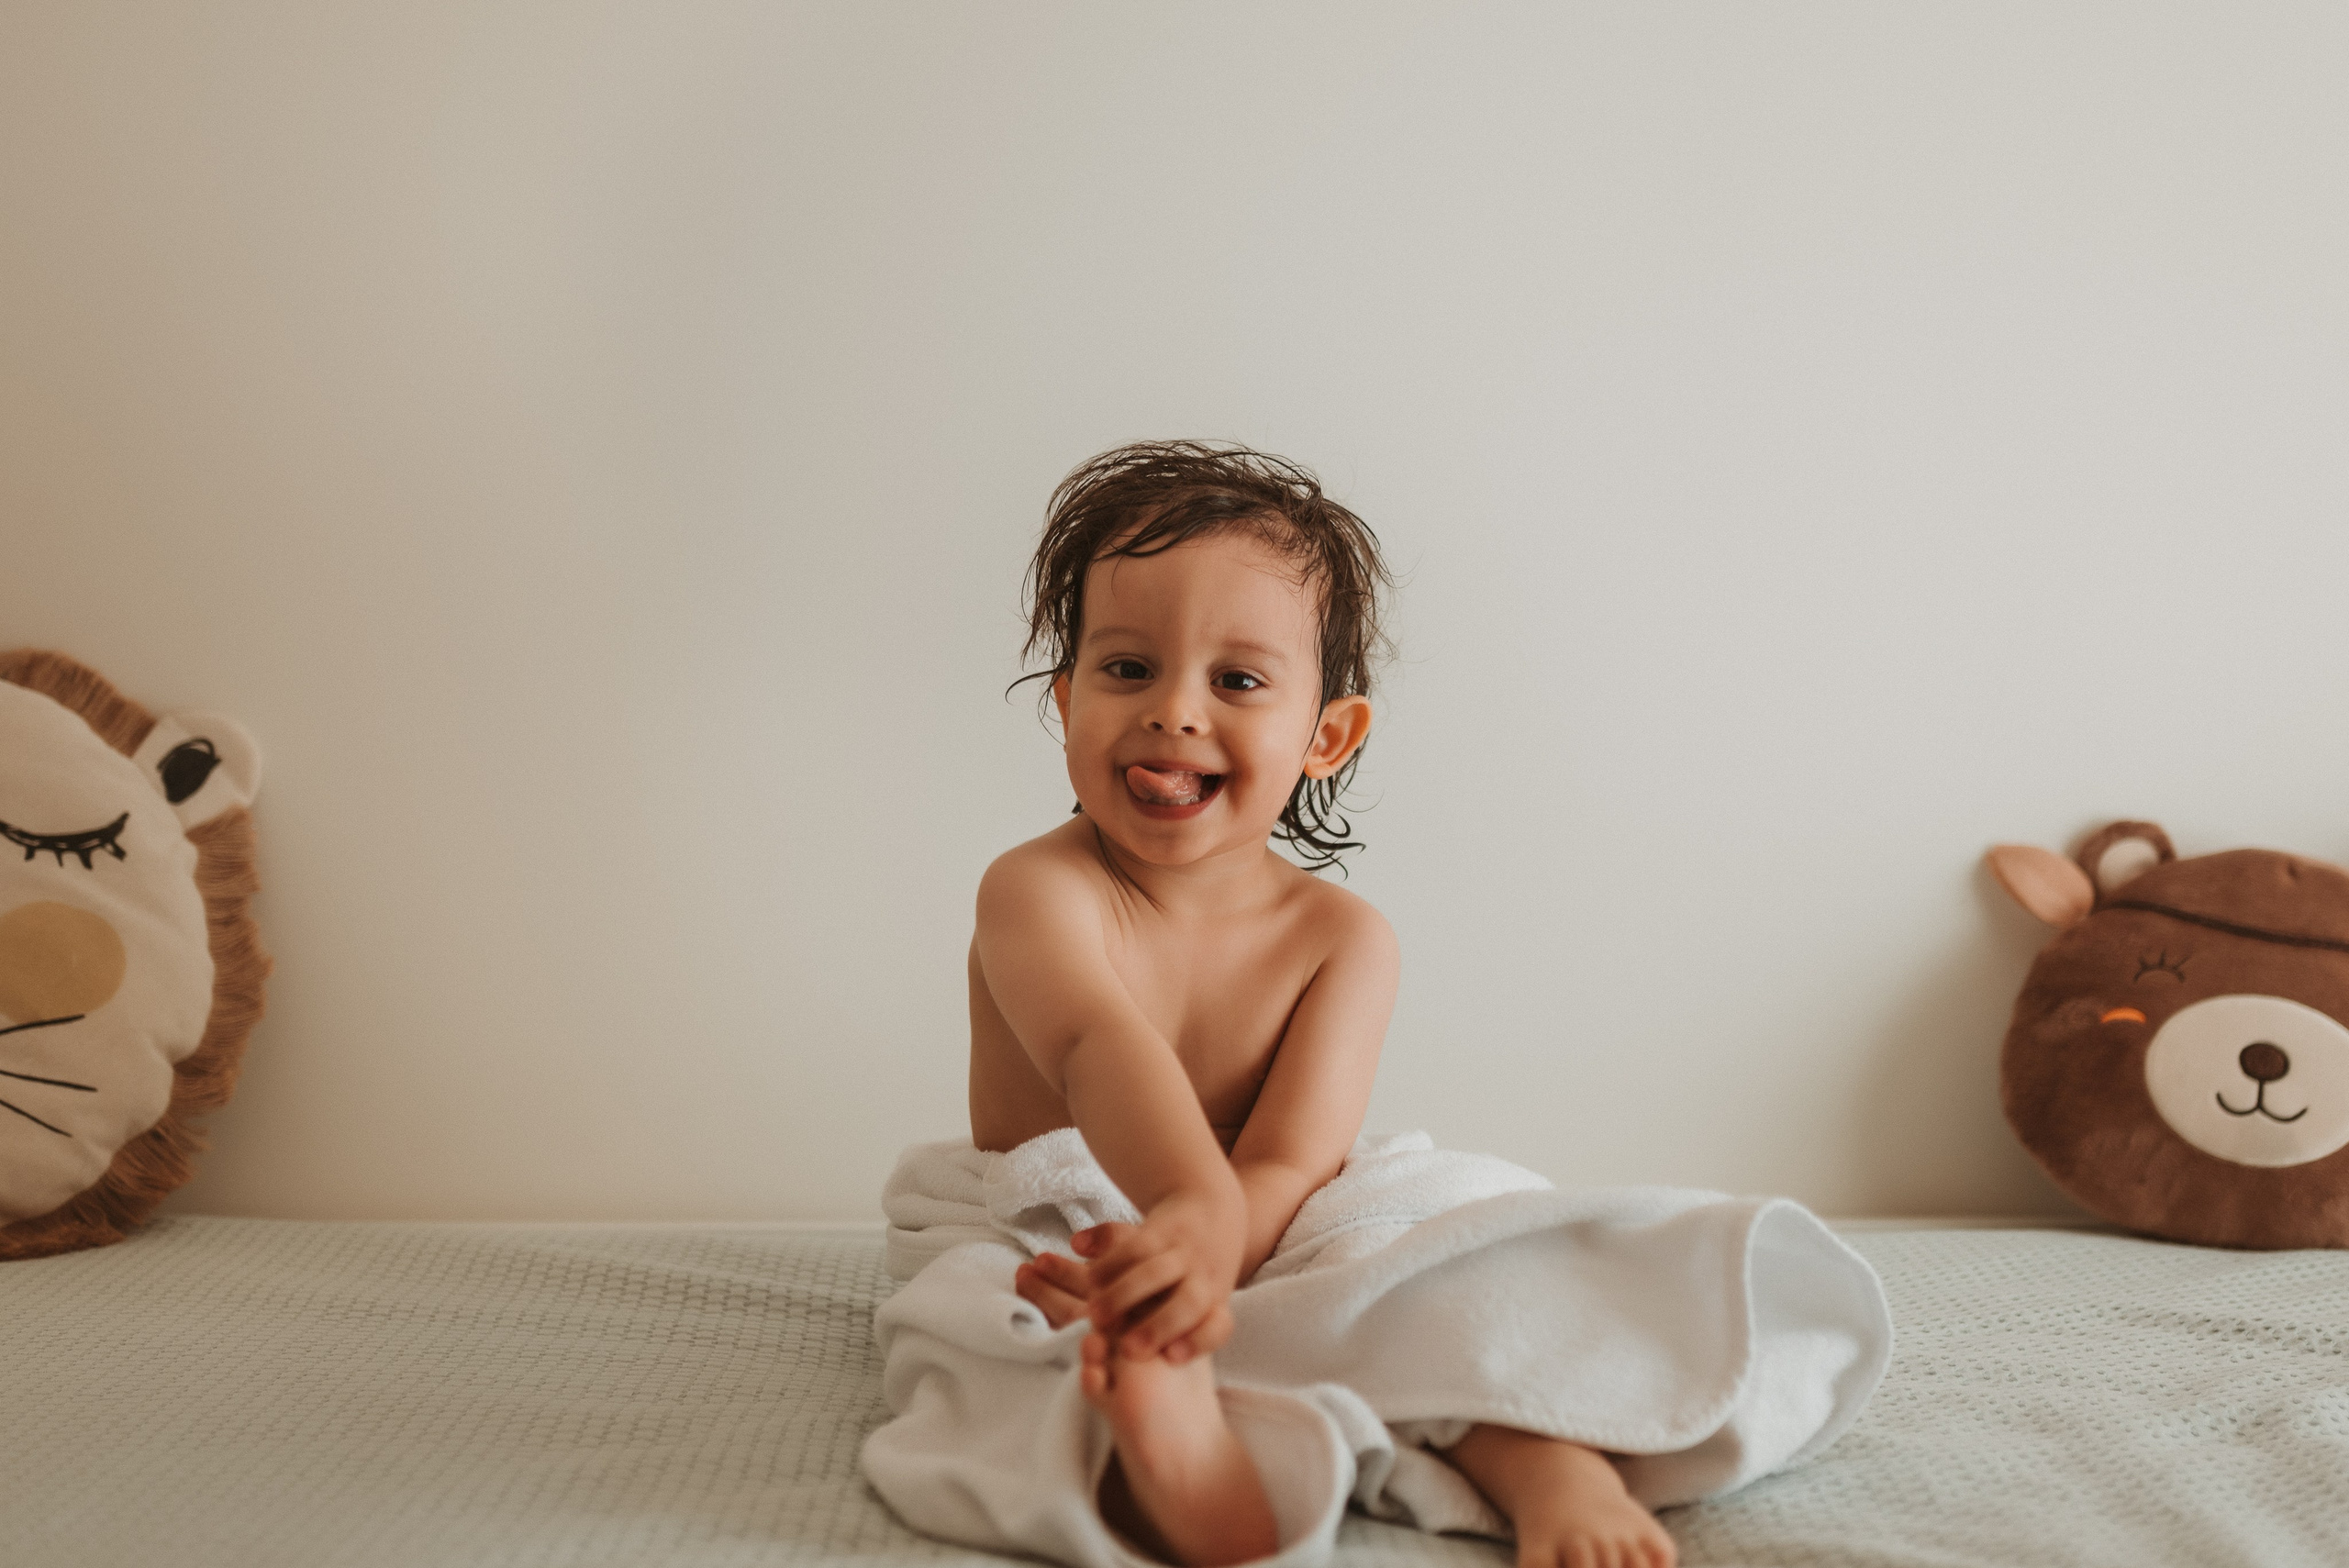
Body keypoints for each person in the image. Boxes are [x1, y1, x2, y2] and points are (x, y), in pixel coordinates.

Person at [965, 441, 1677, 1568]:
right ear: (1066, 700)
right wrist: (1171, 1233)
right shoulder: (1038, 889)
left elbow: (1296, 1161)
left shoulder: (1343, 940)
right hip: (1062, 1212)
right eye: (1126, 668)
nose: (1173, 713)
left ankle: (1546, 1461)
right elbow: (1096, 1041)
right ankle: (1168, 1445)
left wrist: (1212, 1234)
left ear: (1324, 736)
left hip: (1268, 1217)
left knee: (1440, 1237)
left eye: (1237, 681)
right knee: (988, 1321)